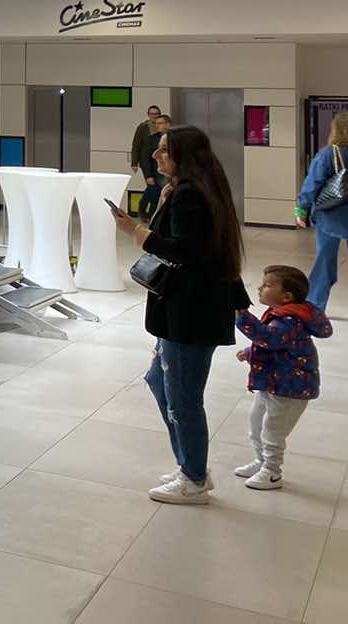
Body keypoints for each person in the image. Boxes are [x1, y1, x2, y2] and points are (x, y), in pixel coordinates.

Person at [112, 124, 250, 505]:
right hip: (187, 310)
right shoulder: (190, 190)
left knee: (183, 399)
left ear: (183, 156)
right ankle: (190, 464)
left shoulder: (191, 194)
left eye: (164, 149)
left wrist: (135, 231)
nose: (156, 155)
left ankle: (193, 477)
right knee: (160, 381)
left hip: (190, 312)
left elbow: (183, 252)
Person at [234, 265, 332, 490]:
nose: (260, 288)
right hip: (274, 382)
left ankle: (272, 472)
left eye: (267, 285)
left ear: (286, 296)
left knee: (273, 430)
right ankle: (261, 461)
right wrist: (250, 353)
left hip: (290, 389)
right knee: (256, 423)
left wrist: (242, 314)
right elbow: (280, 347)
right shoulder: (282, 315)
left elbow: (270, 338)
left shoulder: (290, 319)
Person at [297, 110, 348, 312]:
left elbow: (311, 185)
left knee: (325, 261)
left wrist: (301, 211)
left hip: (330, 215)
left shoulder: (329, 154)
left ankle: (315, 306)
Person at [137, 113, 173, 220]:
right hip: (155, 173)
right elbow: (145, 158)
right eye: (156, 124)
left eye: (160, 123)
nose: (157, 126)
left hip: (168, 174)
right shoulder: (152, 139)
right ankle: (146, 214)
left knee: (159, 198)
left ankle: (154, 217)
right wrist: (148, 175)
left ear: (168, 124)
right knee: (152, 195)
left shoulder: (175, 138)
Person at [130, 105, 162, 172]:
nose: (154, 116)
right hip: (146, 160)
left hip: (159, 160)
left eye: (156, 114)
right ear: (148, 114)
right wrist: (134, 163)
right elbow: (136, 145)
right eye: (152, 114)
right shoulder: (143, 127)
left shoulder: (163, 126)